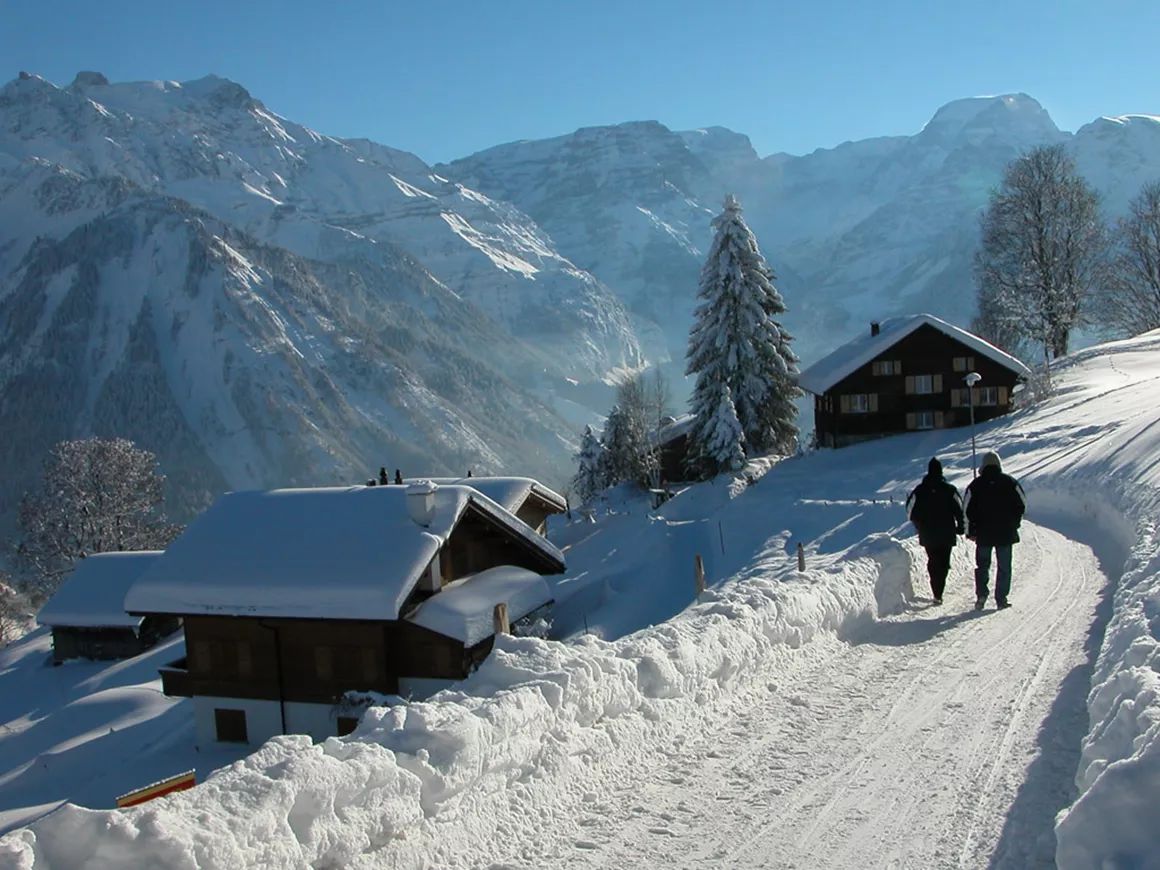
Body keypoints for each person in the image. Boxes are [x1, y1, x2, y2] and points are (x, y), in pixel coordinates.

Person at [964, 451, 1027, 610]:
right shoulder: (1010, 482)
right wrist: (1015, 523)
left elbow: (966, 510)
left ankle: (981, 596)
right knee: (1004, 566)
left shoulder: (975, 485)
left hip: (983, 533)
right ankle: (1001, 599)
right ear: (998, 465)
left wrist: (970, 531)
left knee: (982, 565)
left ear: (983, 466)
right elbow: (1022, 504)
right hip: (1005, 532)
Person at [906, 457, 965, 605]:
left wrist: (918, 524)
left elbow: (909, 510)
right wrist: (961, 526)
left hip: (927, 532)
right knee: (944, 562)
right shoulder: (950, 490)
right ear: (941, 471)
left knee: (933, 560)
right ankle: (939, 591)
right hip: (947, 532)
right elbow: (960, 510)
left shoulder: (919, 490)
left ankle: (936, 591)